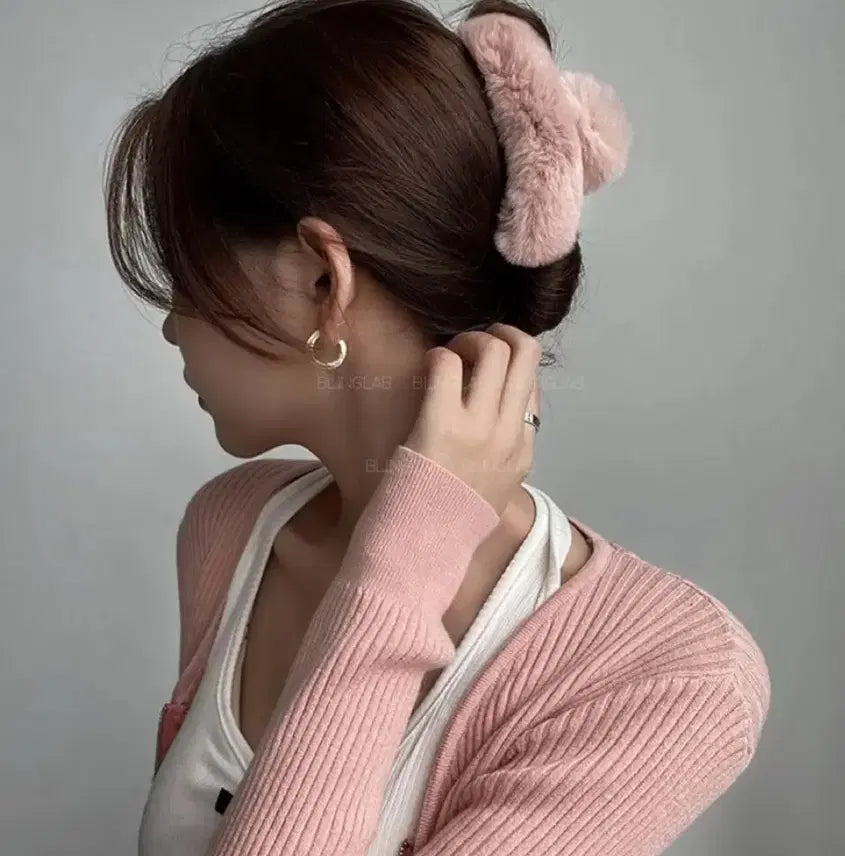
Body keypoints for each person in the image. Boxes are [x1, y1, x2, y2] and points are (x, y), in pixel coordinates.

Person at [103, 1, 771, 854]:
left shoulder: (669, 675)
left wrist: (401, 570)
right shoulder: (231, 528)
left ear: (321, 282)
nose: (172, 326)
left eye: (187, 275)